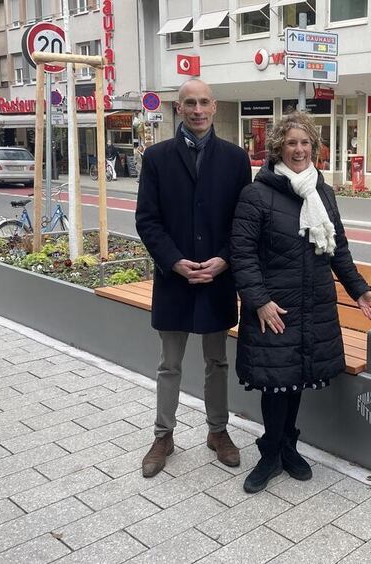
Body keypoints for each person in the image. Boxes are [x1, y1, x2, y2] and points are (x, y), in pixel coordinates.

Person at [230, 111, 371, 493]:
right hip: (274, 308)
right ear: (279, 146)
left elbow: (338, 249)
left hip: (313, 305)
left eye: (305, 143)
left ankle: (288, 447)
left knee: (294, 381)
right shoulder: (257, 193)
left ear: (315, 147)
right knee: (274, 384)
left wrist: (359, 288)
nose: (299, 149)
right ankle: (269, 454)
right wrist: (259, 301)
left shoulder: (321, 192)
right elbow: (242, 254)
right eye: (291, 143)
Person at [135, 78, 252, 478]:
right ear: (178, 108)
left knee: (217, 361)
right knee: (169, 364)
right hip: (174, 278)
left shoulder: (236, 159)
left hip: (218, 278)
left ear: (215, 106)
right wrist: (174, 261)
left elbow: (244, 222)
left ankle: (217, 432)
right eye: (190, 103)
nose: (198, 109)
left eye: (204, 102)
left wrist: (224, 260)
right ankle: (163, 435)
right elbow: (147, 220)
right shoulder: (157, 157)